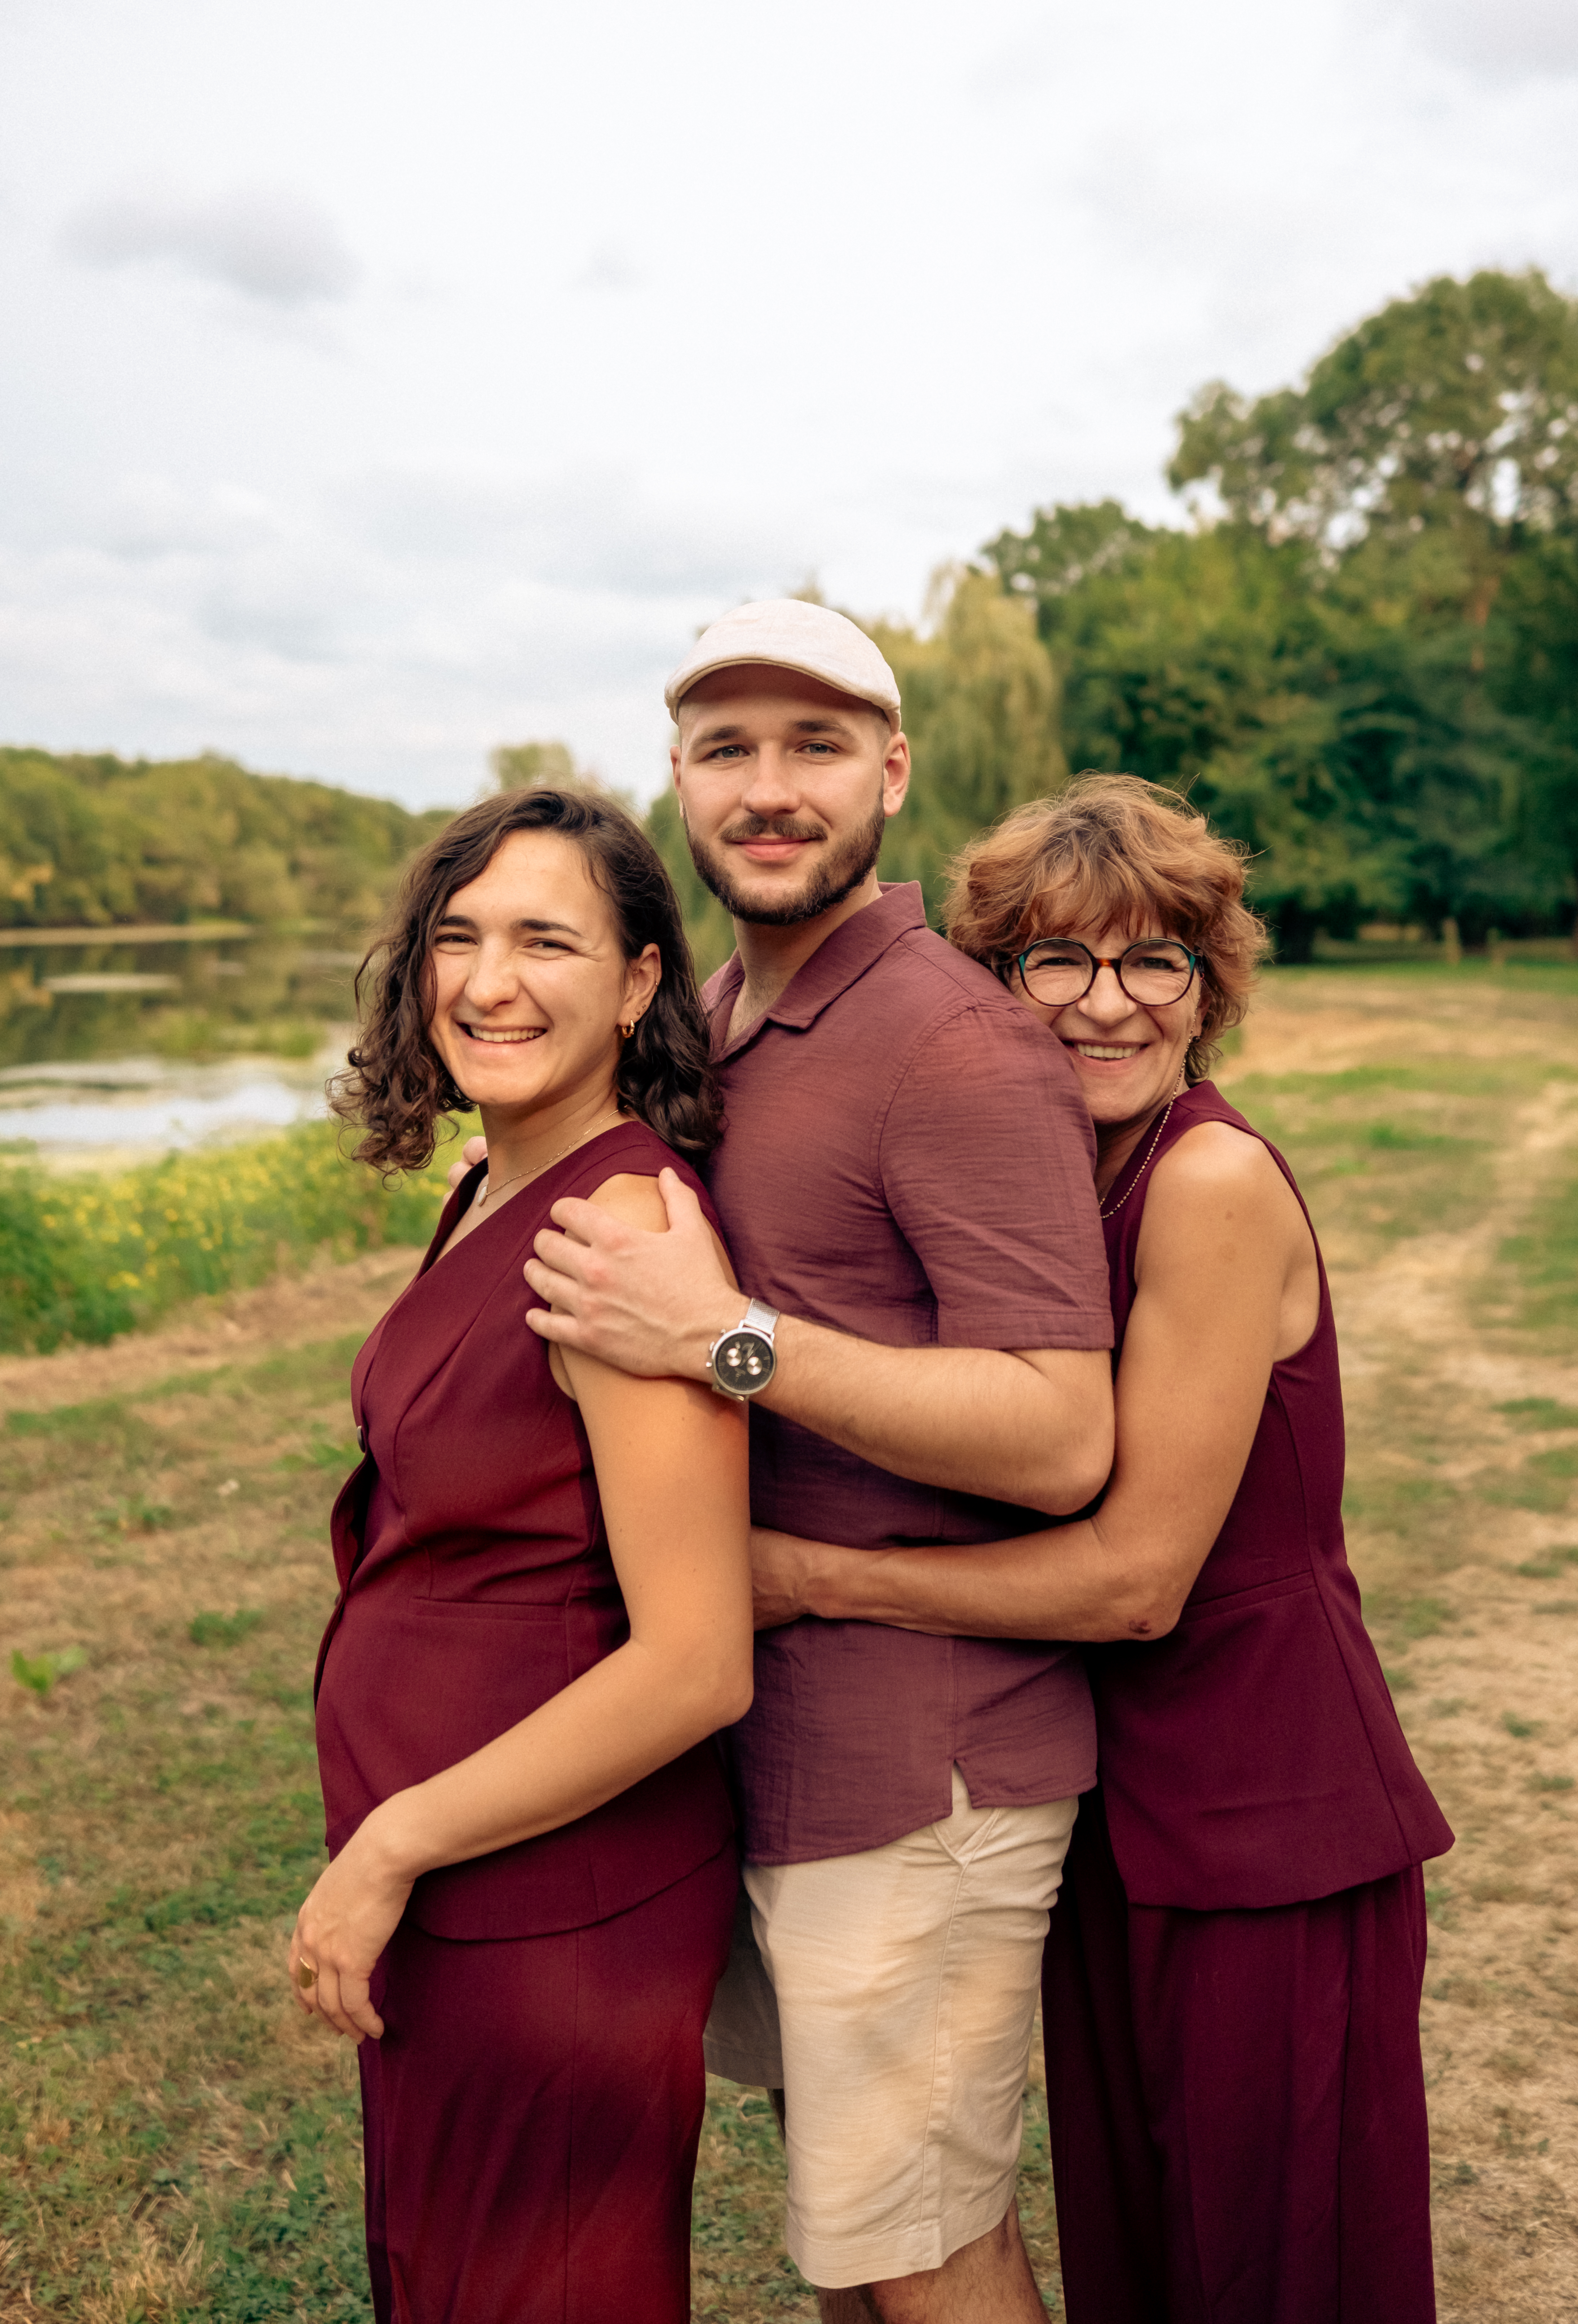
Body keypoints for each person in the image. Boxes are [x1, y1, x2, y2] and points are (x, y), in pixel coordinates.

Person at [746, 773, 1453, 2324]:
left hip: (1263, 1801)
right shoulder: (1057, 1182)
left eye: (1156, 961)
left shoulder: (1205, 1181)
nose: (1104, 1004)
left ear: (1211, 988)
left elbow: (1137, 1581)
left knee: (1271, 2267)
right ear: (995, 992)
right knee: (1148, 2253)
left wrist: (812, 1577)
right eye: (1054, 962)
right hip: (1116, 1803)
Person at [513, 600, 1115, 2322]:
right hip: (778, 1746)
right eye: (728, 751)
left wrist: (727, 1338)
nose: (769, 791)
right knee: (865, 2257)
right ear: (681, 781)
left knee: (928, 2259)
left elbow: (1064, 1432)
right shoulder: (713, 1010)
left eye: (817, 747)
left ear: (893, 773)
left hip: (920, 1773)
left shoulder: (955, 1040)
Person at [290, 787, 753, 2324]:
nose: (491, 980)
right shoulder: (493, 1177)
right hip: (467, 1882)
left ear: (637, 984)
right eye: (460, 934)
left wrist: (392, 1843)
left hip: (555, 1909)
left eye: (547, 938)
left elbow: (697, 1661)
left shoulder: (623, 1233)